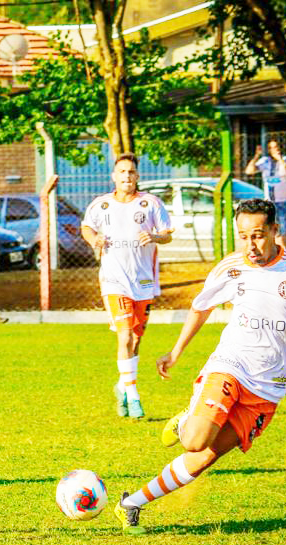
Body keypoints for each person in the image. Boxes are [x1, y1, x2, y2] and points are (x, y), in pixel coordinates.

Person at [111, 199, 286, 533]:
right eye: (243, 235)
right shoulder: (232, 267)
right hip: (231, 365)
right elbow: (201, 307)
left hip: (269, 387)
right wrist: (175, 352)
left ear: (275, 231)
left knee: (205, 456)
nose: (251, 244)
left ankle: (130, 504)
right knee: (194, 440)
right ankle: (186, 423)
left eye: (259, 235)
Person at [80, 153, 173, 419]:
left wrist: (154, 236)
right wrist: (93, 238)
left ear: (137, 177)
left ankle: (122, 384)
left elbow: (166, 234)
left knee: (136, 340)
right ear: (114, 176)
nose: (127, 176)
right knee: (124, 336)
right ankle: (133, 396)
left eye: (131, 172)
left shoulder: (150, 203)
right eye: (122, 172)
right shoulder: (101, 205)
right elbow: (86, 227)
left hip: (143, 282)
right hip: (114, 280)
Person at [246, 139, 286, 248]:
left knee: (284, 235)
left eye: (277, 147)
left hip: (283, 201)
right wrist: (256, 156)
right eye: (272, 147)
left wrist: (280, 159)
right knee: (275, 234)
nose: (275, 149)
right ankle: (283, 255)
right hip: (270, 202)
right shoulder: (265, 161)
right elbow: (249, 171)